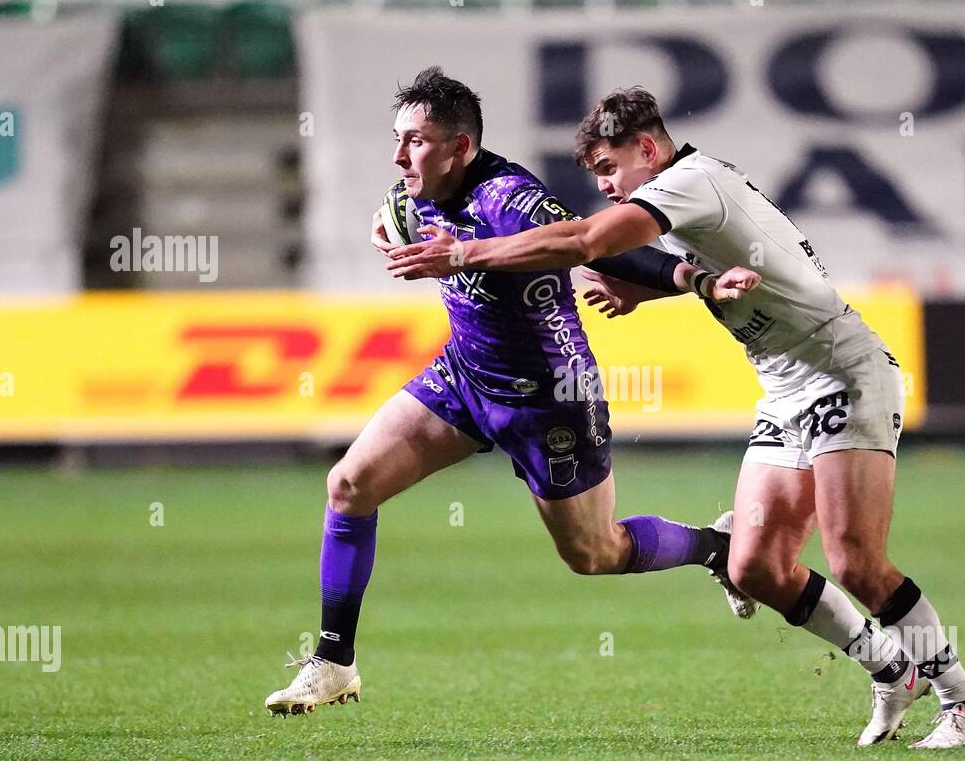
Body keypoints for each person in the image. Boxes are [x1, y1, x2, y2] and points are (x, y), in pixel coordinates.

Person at [386, 87, 965, 748]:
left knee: (854, 559)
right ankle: (890, 671)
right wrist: (659, 289)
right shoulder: (687, 190)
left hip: (840, 374)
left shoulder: (689, 182)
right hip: (787, 388)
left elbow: (586, 239)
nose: (605, 186)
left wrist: (462, 254)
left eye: (609, 170)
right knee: (753, 567)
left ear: (647, 149)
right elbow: (703, 263)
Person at [265, 69, 760, 717]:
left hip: (551, 398)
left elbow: (597, 245)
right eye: (397, 140)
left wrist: (691, 277)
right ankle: (333, 662)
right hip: (465, 378)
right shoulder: (415, 194)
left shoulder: (509, 197)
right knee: (349, 485)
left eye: (415, 141)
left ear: (460, 147)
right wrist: (386, 226)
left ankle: (715, 547)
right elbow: (393, 214)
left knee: (594, 553)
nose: (400, 155)